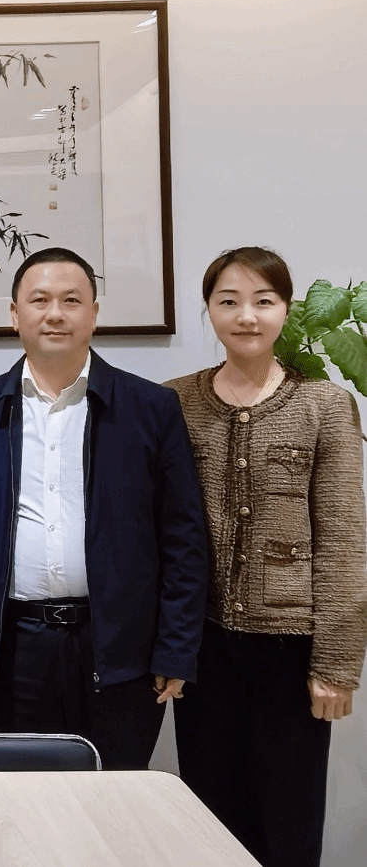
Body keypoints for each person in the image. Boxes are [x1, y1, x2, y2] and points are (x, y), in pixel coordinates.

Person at [0, 247, 209, 770]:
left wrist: (176, 648)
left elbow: (183, 538)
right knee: (30, 798)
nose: (55, 314)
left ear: (94, 313)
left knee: (116, 794)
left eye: (72, 300)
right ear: (15, 314)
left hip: (122, 649)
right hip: (18, 648)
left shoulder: (150, 408)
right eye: (40, 300)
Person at [166, 247, 367, 867]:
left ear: (286, 309)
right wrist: (165, 646)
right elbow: (157, 533)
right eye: (228, 301)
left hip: (291, 649)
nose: (246, 316)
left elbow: (344, 539)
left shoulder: (325, 405)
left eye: (263, 301)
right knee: (210, 822)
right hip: (201, 648)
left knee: (289, 825)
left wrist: (337, 664)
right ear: (209, 310)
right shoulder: (174, 402)